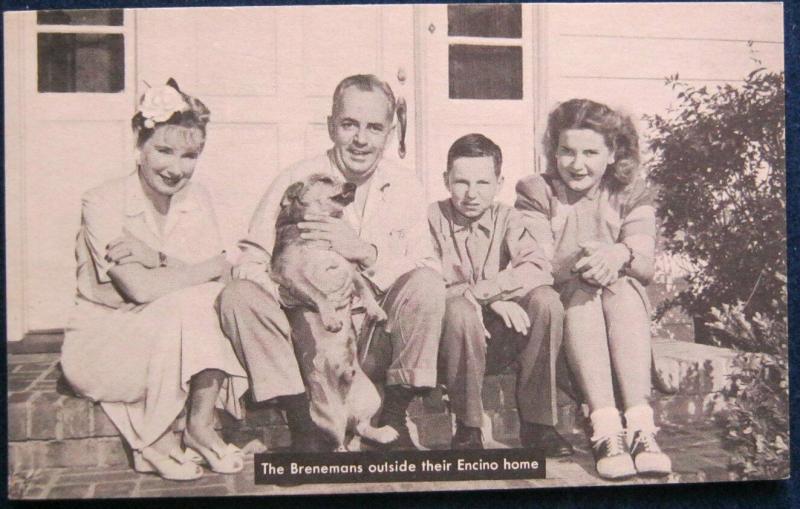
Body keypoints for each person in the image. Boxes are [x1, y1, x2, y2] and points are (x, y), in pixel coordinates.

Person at [217, 74, 445, 451]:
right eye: (349, 124)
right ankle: (304, 426)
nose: (361, 139)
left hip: (372, 337)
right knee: (237, 295)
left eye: (374, 127)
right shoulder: (297, 180)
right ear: (330, 126)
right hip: (307, 339)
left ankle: (392, 418)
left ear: (389, 133)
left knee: (427, 285)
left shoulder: (406, 186)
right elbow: (251, 258)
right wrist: (294, 294)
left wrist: (364, 252)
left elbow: (427, 265)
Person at [60, 80, 249, 481]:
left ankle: (196, 428)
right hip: (105, 346)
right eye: (163, 150)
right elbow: (140, 290)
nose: (175, 168)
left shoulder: (197, 199)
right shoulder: (103, 201)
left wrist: (157, 258)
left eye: (189, 155)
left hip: (172, 337)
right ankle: (165, 435)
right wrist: (202, 267)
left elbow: (221, 279)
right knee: (191, 301)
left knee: (200, 303)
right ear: (139, 142)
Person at [515, 99, 672, 479]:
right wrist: (591, 261)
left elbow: (646, 263)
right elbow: (536, 264)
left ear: (613, 152)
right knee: (587, 295)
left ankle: (640, 428)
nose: (577, 163)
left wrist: (617, 253)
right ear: (554, 151)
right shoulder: (537, 191)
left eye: (590, 152)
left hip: (619, 310)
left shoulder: (631, 191)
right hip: (567, 314)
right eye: (566, 151)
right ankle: (605, 430)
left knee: (624, 290)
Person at [429, 134, 573, 456]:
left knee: (546, 301)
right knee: (460, 310)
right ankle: (468, 427)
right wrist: (490, 299)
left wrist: (485, 293)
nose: (471, 194)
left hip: (499, 337)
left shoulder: (509, 218)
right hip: (448, 342)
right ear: (445, 180)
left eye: (483, 182)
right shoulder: (430, 219)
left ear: (499, 182)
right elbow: (429, 283)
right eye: (461, 182)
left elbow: (538, 268)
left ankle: (539, 425)